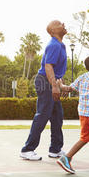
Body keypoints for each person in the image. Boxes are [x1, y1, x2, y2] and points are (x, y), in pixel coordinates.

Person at [20, 20, 67, 160]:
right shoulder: (54, 45)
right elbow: (48, 66)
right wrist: (53, 86)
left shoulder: (60, 45)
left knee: (57, 116)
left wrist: (60, 85)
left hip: (51, 81)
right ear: (53, 31)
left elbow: (56, 69)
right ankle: (27, 149)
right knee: (42, 115)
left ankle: (55, 149)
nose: (63, 24)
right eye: (59, 23)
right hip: (45, 81)